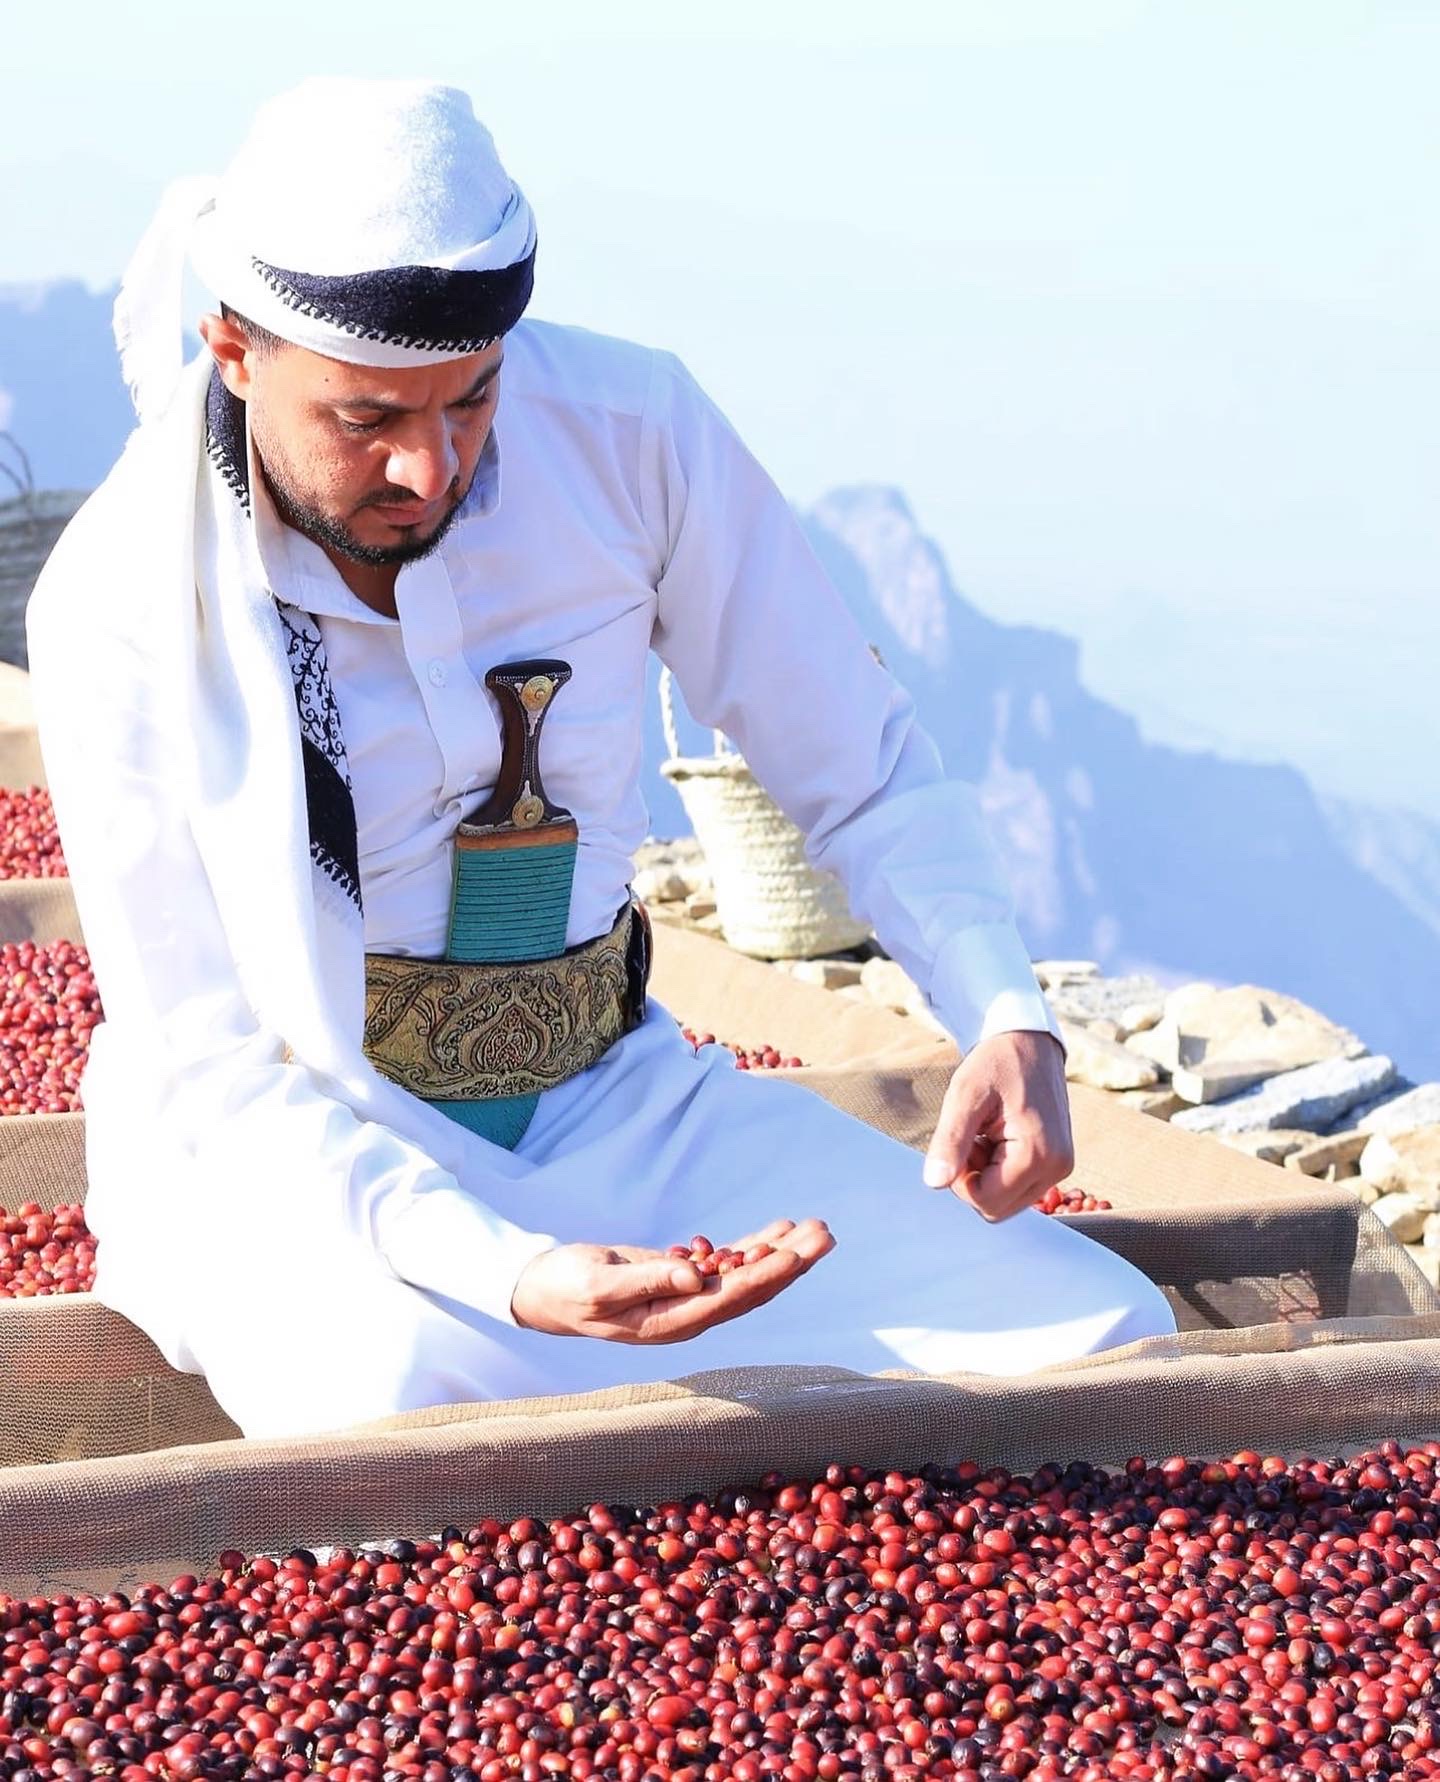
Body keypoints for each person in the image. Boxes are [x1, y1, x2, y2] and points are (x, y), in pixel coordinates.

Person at [26, 78, 1174, 1438]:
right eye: (365, 419)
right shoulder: (120, 604)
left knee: (1094, 1331)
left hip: (622, 1112)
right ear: (233, 349)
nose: (427, 466)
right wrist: (514, 1272)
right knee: (397, 1406)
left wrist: (1003, 1011)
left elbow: (855, 759)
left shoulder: (635, 436)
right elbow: (215, 1065)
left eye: (470, 400)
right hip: (307, 1168)